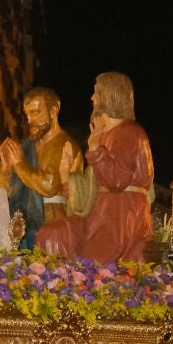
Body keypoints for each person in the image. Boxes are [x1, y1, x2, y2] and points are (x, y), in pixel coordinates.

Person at [34, 72, 153, 263]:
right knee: (51, 234)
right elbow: (95, 181)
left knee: (92, 263)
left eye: (96, 93)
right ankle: (53, 281)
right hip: (100, 213)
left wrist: (96, 149)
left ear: (109, 95)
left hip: (121, 217)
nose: (92, 98)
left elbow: (116, 180)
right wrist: (69, 178)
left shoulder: (129, 132)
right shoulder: (108, 134)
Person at [0, 88, 81, 240]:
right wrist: (5, 170)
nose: (30, 120)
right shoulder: (26, 147)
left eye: (36, 113)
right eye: (27, 114)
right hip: (21, 228)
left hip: (54, 229)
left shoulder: (65, 145)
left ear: (54, 110)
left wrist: (19, 165)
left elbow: (49, 185)